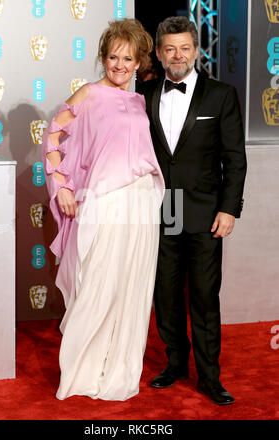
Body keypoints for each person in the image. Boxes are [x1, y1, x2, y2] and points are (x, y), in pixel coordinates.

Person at [41, 18, 164, 401]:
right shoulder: (89, 94)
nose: (120, 65)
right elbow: (52, 137)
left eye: (128, 58)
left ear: (139, 60)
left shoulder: (140, 99)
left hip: (142, 201)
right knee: (98, 285)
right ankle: (82, 372)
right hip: (105, 202)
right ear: (103, 57)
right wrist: (61, 186)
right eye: (113, 56)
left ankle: (117, 367)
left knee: (132, 288)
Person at [137, 16, 247, 405]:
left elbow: (235, 157)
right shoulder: (144, 92)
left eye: (185, 48)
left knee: (203, 295)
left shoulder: (220, 95)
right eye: (169, 48)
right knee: (166, 294)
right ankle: (176, 364)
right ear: (158, 52)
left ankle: (210, 377)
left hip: (204, 211)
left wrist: (229, 209)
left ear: (197, 50)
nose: (177, 55)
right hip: (164, 208)